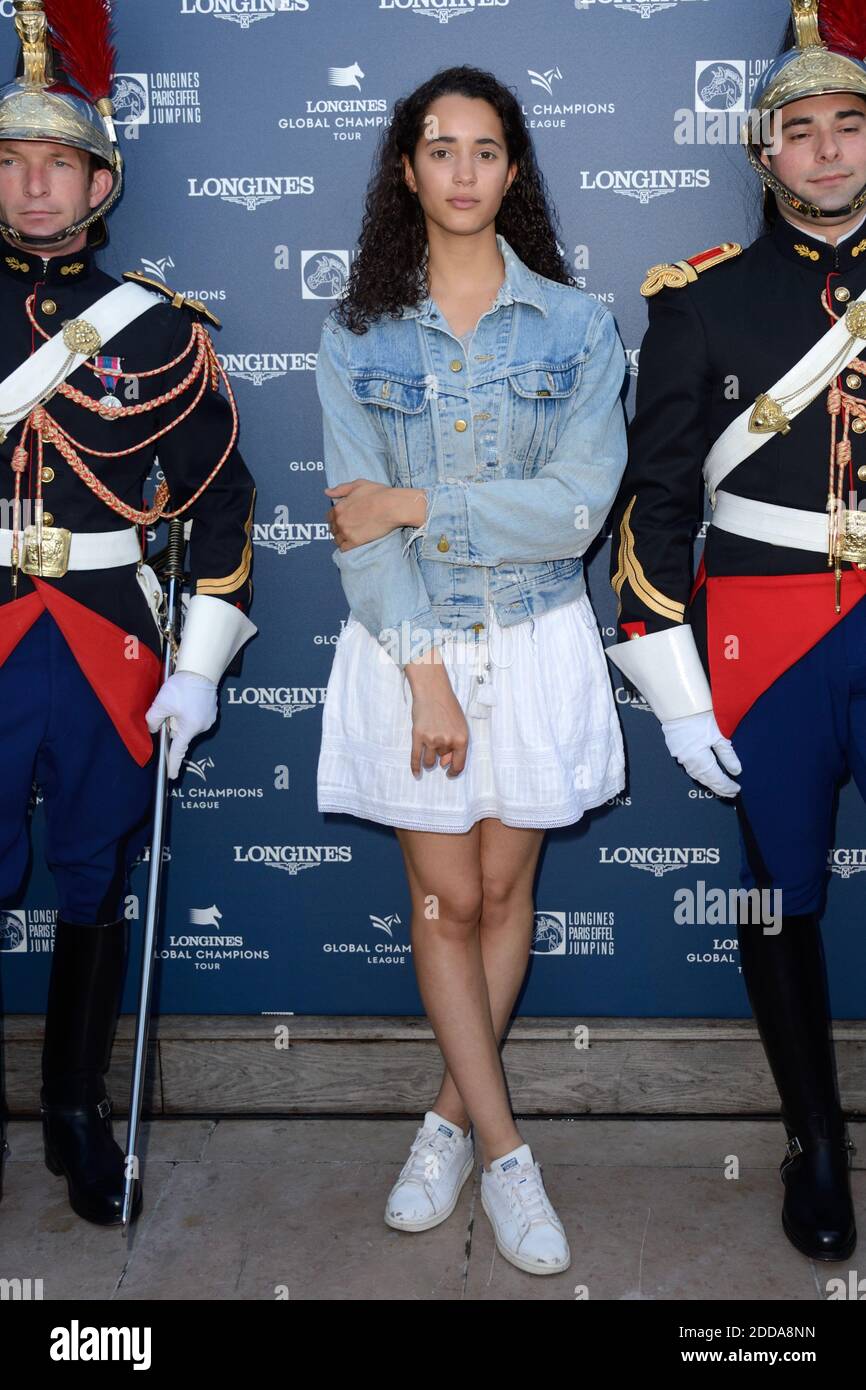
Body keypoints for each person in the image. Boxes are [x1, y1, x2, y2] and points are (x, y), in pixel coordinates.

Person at [315, 65, 627, 1276]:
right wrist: (426, 676)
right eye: (437, 148)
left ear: (512, 170)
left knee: (502, 898)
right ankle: (504, 1153)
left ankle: (444, 1117)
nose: (460, 171)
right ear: (406, 169)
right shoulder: (353, 336)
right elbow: (358, 527)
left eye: (484, 149)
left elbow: (571, 513)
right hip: (411, 648)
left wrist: (411, 500)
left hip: (538, 636)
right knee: (445, 901)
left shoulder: (576, 327)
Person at [605, 0, 866, 1261]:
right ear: (762, 153)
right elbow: (654, 501)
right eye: (799, 132)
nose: (825, 152)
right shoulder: (699, 301)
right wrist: (673, 683)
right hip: (763, 637)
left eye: (847, 126)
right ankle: (812, 1142)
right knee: (776, 901)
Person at [0, 1, 257, 1224]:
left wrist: (198, 663)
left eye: (56, 163)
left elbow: (218, 505)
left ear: (101, 180)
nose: (33, 186)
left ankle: (74, 1112)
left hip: (103, 638)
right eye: (9, 162)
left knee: (93, 882)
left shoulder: (153, 326)